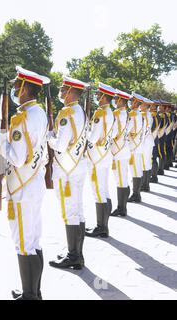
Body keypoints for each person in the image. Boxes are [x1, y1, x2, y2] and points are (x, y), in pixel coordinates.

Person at [0, 67, 49, 300]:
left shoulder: (23, 118)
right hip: (34, 183)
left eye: (18, 86)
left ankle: (30, 295)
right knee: (33, 239)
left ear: (26, 88)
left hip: (21, 188)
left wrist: (1, 141)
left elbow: (17, 158)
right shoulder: (40, 114)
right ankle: (34, 291)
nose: (15, 90)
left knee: (23, 242)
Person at [48, 76, 89, 270]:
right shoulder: (80, 111)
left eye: (64, 89)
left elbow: (61, 145)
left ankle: (73, 256)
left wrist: (50, 139)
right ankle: (77, 253)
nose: (61, 92)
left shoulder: (67, 113)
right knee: (77, 209)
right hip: (78, 167)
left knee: (69, 211)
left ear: (72, 91)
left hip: (67, 170)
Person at [85, 83, 115, 238]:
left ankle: (101, 227)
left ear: (104, 97)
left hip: (97, 157)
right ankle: (104, 226)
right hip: (104, 155)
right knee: (103, 190)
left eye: (98, 94)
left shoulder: (101, 113)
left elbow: (94, 137)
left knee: (98, 192)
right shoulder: (110, 113)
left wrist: (84, 138)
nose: (96, 96)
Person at [110, 90, 133, 217]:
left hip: (117, 151)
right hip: (124, 148)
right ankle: (122, 207)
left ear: (120, 101)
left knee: (120, 180)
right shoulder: (127, 114)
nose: (114, 100)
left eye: (116, 98)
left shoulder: (117, 115)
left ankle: (121, 208)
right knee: (123, 179)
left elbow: (113, 133)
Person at [126, 93, 145, 203]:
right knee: (137, 170)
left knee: (135, 170)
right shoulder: (138, 114)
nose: (129, 102)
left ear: (135, 102)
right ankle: (136, 194)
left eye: (131, 100)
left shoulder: (133, 114)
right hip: (137, 145)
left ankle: (136, 194)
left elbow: (126, 129)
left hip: (133, 145)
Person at [140, 97, 154, 192]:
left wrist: (140, 141)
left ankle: (144, 185)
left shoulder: (145, 115)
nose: (140, 105)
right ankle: (145, 184)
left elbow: (145, 129)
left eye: (142, 104)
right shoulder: (147, 114)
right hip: (147, 141)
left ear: (146, 106)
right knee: (146, 163)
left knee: (144, 163)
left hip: (145, 141)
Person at [149, 101, 161, 183]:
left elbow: (153, 129)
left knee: (153, 159)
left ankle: (154, 176)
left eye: (152, 105)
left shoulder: (155, 116)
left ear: (154, 107)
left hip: (153, 140)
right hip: (153, 140)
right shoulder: (155, 115)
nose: (150, 106)